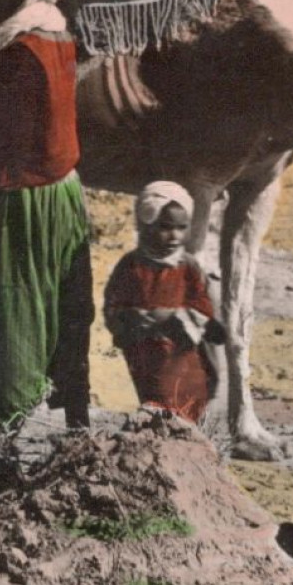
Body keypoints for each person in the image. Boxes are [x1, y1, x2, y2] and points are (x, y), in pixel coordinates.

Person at [0, 0, 93, 438]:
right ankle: (76, 424)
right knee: (68, 306)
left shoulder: (19, 51)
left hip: (28, 198)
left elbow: (5, 136)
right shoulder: (62, 40)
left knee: (18, 310)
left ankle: (11, 440)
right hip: (68, 193)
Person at [103, 181, 226, 423]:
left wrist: (176, 317)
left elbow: (204, 304)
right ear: (147, 226)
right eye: (166, 227)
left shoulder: (188, 265)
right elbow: (113, 305)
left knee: (186, 403)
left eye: (182, 228)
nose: (175, 236)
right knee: (156, 406)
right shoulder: (132, 266)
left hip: (184, 352)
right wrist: (135, 318)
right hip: (145, 353)